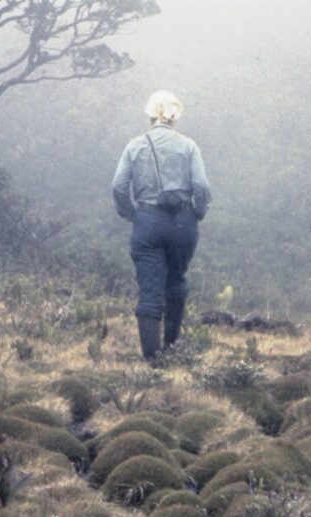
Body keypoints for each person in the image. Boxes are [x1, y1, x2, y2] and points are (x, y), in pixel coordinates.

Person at [112, 91, 211, 362]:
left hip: (147, 220)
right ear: (175, 118)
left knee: (149, 290)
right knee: (176, 281)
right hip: (182, 222)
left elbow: (119, 186)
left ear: (149, 116)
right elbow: (201, 186)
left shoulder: (135, 145)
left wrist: (132, 214)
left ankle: (152, 361)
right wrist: (197, 213)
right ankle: (171, 349)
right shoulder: (188, 145)